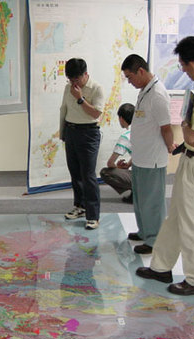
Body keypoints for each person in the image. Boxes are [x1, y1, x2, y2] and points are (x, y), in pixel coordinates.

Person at [136, 36, 194, 296]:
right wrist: (188, 131)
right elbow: (189, 136)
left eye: (184, 66)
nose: (184, 71)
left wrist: (186, 128)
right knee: (175, 218)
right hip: (190, 160)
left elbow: (191, 133)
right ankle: (161, 267)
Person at [121, 54, 175, 254]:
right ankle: (144, 232)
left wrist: (170, 146)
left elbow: (166, 127)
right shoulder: (145, 90)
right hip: (141, 157)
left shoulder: (158, 94)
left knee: (152, 202)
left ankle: (154, 241)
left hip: (152, 159)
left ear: (141, 71)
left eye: (130, 77)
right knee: (141, 199)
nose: (129, 81)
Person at [60, 58, 105, 230]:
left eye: (76, 79)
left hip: (88, 133)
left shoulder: (96, 88)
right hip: (71, 131)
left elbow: (95, 113)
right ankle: (79, 206)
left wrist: (80, 98)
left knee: (88, 175)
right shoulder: (67, 87)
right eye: (70, 79)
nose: (73, 83)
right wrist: (63, 132)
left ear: (85, 74)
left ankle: (93, 215)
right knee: (74, 172)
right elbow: (64, 109)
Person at [99, 103, 134, 204]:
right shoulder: (143, 131)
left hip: (140, 176)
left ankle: (136, 190)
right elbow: (140, 154)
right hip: (154, 175)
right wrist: (128, 164)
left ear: (121, 118)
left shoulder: (125, 137)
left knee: (105, 172)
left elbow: (110, 163)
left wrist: (118, 168)